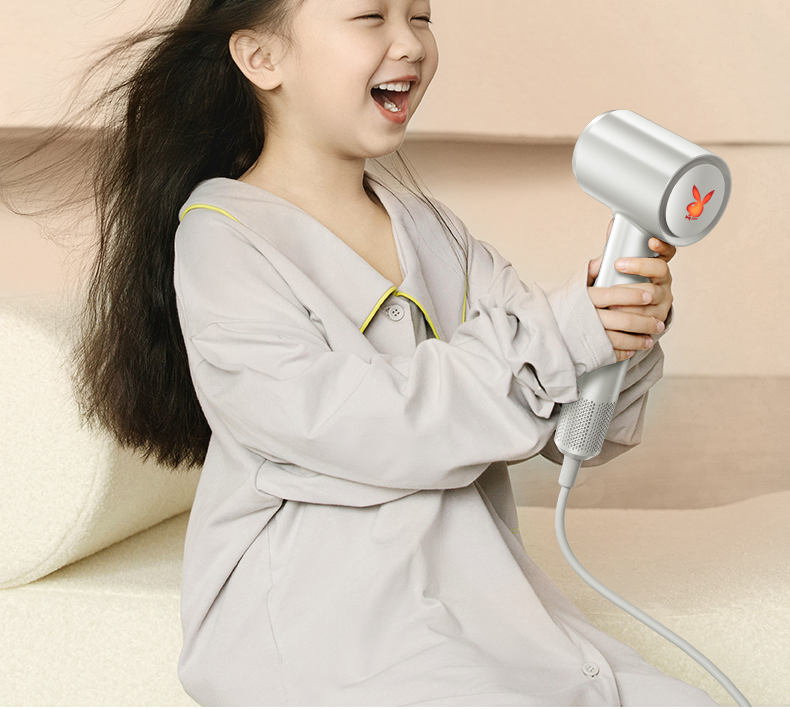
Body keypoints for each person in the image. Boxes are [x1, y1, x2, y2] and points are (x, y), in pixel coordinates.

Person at [0, 0, 718, 705]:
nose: (409, 43)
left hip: (480, 610)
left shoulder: (435, 232)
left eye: (422, 17)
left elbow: (570, 433)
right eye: (372, 17)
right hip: (328, 626)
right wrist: (560, 336)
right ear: (261, 57)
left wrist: (619, 331)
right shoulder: (224, 241)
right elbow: (357, 423)